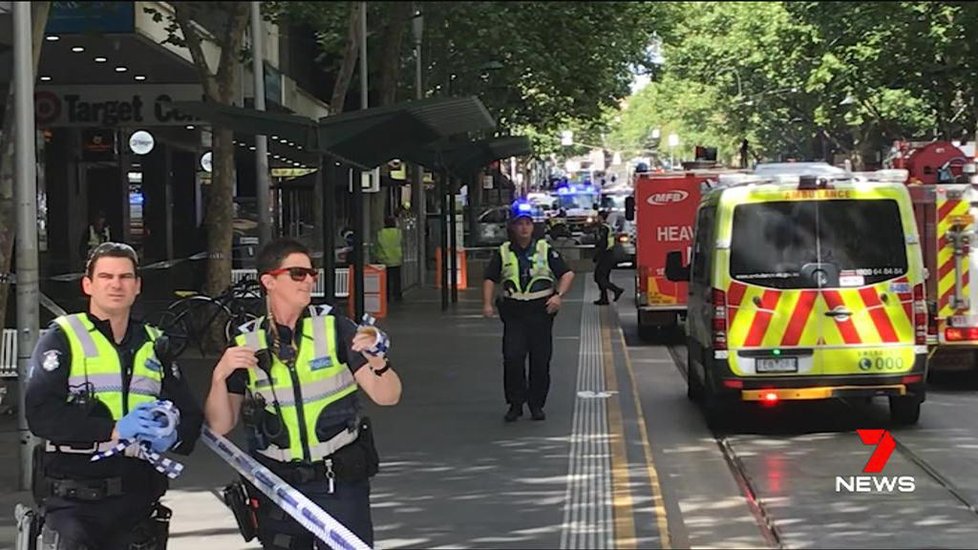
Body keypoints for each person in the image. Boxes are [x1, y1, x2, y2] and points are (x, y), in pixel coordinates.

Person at [204, 237, 402, 548]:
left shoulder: (334, 328)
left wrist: (378, 359)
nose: (309, 280)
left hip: (337, 483)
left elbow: (387, 396)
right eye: (298, 273)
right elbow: (220, 425)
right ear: (269, 280)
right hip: (277, 486)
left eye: (312, 273)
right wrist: (219, 376)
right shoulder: (246, 341)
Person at [25, 241, 203, 549]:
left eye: (125, 277)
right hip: (75, 504)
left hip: (137, 504)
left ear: (137, 286)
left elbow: (191, 417)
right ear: (88, 285)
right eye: (106, 277)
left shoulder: (154, 344)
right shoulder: (63, 337)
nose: (116, 285)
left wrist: (170, 434)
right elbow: (41, 416)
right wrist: (114, 429)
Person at [483, 200, 575, 422]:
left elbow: (567, 273)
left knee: (540, 360)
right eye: (519, 224)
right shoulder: (503, 252)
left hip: (540, 311)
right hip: (514, 311)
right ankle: (515, 404)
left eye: (527, 223)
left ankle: (536, 404)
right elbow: (490, 278)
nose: (524, 228)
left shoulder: (545, 249)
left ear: (533, 227)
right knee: (512, 358)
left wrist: (558, 296)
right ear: (512, 227)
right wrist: (486, 303)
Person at [593, 211, 625, 305]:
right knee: (604, 277)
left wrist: (597, 255)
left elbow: (603, 243)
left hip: (605, 255)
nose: (596, 218)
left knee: (598, 277)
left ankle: (616, 290)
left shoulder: (604, 228)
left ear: (601, 217)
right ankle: (604, 298)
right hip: (608, 254)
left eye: (598, 217)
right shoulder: (607, 227)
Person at [374, 217, 404, 302]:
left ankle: (386, 296)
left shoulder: (380, 233)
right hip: (396, 259)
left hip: (383, 259)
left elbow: (376, 246)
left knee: (385, 280)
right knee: (397, 279)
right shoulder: (398, 232)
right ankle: (397, 295)